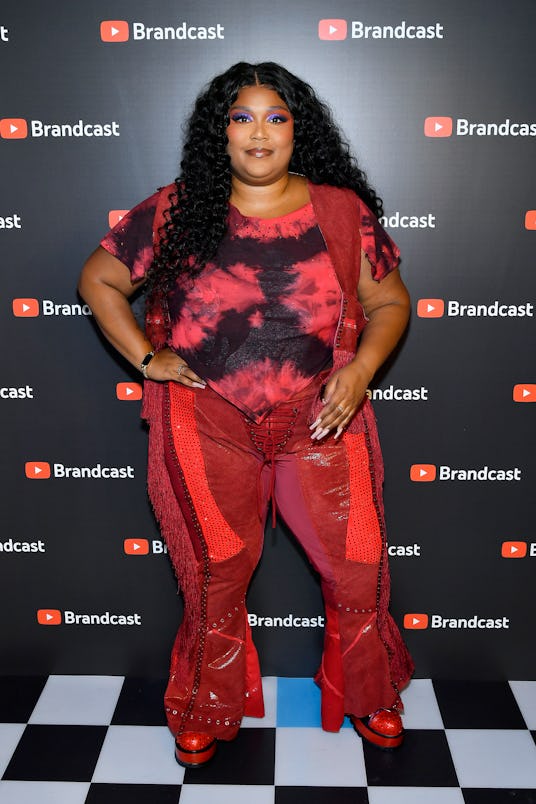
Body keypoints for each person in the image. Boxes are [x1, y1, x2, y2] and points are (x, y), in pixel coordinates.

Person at [79, 61, 414, 767]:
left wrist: (359, 370)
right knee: (215, 572)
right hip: (207, 422)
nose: (258, 133)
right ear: (219, 134)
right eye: (240, 118)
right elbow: (101, 279)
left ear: (299, 130)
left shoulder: (339, 210)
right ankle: (205, 703)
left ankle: (368, 693)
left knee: (358, 568)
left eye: (275, 117)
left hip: (322, 418)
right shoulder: (178, 208)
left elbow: (390, 302)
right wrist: (147, 358)